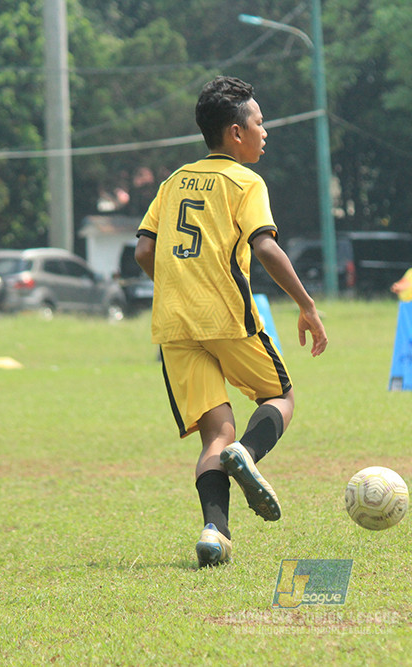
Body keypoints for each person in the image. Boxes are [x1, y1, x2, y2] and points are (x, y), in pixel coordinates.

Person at [134, 76, 328, 568]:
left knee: (213, 434)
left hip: (174, 326)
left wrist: (181, 283)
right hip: (225, 314)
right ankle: (248, 452)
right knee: (279, 397)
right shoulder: (246, 182)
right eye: (260, 123)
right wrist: (306, 305)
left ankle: (214, 535)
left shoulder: (172, 181)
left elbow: (143, 250)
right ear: (236, 133)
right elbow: (265, 245)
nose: (265, 132)